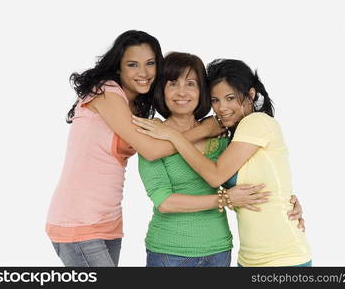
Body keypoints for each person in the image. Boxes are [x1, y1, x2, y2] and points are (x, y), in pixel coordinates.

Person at [45, 30, 225, 267]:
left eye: (150, 64)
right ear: (118, 67)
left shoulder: (136, 106)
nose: (144, 73)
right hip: (77, 221)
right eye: (133, 64)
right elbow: (152, 150)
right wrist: (203, 130)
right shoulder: (106, 92)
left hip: (108, 221)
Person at [133, 58, 312, 267]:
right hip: (184, 254)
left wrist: (285, 199)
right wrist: (229, 198)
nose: (221, 107)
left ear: (251, 95)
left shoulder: (246, 127)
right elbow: (164, 202)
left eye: (191, 84)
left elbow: (218, 176)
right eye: (216, 100)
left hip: (263, 255)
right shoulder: (155, 138)